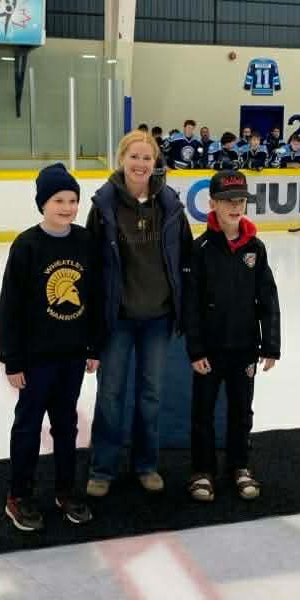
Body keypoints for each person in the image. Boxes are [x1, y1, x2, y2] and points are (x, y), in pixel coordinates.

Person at [85, 131, 193, 496]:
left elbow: (186, 257)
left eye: (147, 158)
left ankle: (146, 465)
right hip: (118, 319)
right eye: (134, 156)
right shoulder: (103, 206)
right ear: (121, 159)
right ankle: (102, 468)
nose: (141, 164)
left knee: (150, 395)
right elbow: (92, 263)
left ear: (155, 162)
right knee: (110, 394)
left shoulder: (171, 205)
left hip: (157, 319)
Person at [0, 164, 99, 532]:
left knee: (66, 424)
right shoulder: (27, 245)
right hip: (36, 358)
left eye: (73, 200)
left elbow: (95, 297)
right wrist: (12, 359)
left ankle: (65, 489)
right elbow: (11, 305)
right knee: (27, 425)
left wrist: (94, 346)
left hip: (71, 354)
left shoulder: (85, 241)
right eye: (59, 200)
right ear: (43, 203)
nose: (68, 207)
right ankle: (19, 494)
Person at [183, 169, 280, 503]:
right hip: (209, 350)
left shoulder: (256, 248)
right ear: (212, 203)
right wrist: (195, 350)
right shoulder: (200, 249)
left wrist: (271, 344)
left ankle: (239, 465)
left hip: (243, 349)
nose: (234, 206)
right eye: (226, 200)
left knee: (242, 411)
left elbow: (268, 297)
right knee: (203, 412)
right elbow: (190, 305)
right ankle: (202, 470)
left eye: (239, 200)